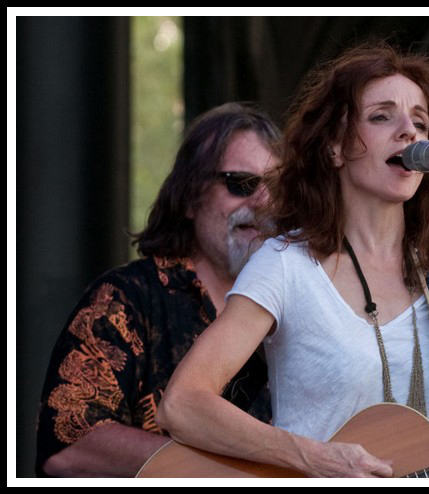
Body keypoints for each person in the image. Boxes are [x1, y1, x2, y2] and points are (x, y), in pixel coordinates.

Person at [157, 43, 429, 478]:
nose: (409, 131)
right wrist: (314, 456)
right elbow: (182, 405)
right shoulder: (285, 266)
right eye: (382, 116)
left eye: (420, 121)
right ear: (335, 147)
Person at [35, 102, 281, 477]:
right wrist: (232, 470)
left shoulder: (298, 310)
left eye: (277, 187)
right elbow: (70, 445)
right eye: (241, 184)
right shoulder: (126, 299)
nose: (263, 202)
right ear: (188, 197)